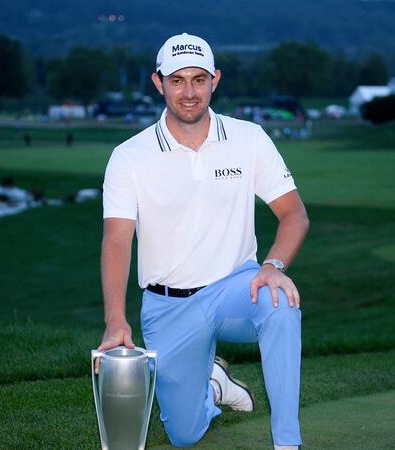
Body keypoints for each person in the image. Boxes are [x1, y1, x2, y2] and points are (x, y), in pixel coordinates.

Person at [98, 33, 308, 449]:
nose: (189, 92)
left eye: (198, 79)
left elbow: (294, 214)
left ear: (215, 80)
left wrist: (274, 266)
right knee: (184, 433)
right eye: (177, 81)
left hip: (237, 287)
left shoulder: (249, 138)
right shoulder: (129, 156)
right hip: (168, 305)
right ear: (158, 83)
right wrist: (115, 318)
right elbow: (117, 241)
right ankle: (213, 386)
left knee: (280, 303)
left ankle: (288, 442)